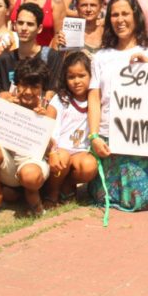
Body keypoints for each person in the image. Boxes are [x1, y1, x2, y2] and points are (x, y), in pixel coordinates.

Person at [87, 0, 148, 211]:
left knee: (140, 198)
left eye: (125, 14)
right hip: (109, 134)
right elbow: (94, 97)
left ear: (136, 16)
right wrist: (94, 135)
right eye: (114, 15)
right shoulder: (101, 56)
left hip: (146, 135)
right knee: (108, 196)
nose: (119, 20)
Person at [0, 57, 57, 218]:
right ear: (17, 84)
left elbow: (47, 150)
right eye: (24, 85)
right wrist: (6, 109)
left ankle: (30, 194)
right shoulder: (5, 98)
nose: (28, 92)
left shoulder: (48, 110)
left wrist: (41, 121)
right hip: (7, 163)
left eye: (34, 87)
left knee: (30, 176)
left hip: (31, 162)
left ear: (42, 88)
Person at [42, 51, 98, 207]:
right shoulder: (60, 100)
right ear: (64, 79)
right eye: (71, 77)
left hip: (81, 151)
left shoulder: (95, 101)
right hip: (59, 150)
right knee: (63, 158)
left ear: (91, 76)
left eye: (82, 75)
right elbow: (48, 129)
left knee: (89, 166)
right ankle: (52, 191)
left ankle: (67, 183)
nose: (77, 81)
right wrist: (52, 151)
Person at [0, 3, 58, 109]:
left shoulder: (51, 56)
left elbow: (52, 92)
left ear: (39, 28)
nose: (24, 28)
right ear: (14, 25)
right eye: (20, 23)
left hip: (40, 116)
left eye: (30, 24)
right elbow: (0, 93)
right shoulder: (4, 59)